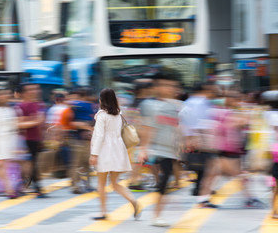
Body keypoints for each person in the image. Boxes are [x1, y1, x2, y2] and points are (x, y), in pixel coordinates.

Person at [89, 88, 141, 221]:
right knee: (115, 183)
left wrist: (94, 154)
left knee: (101, 183)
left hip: (104, 151)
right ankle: (133, 201)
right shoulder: (118, 114)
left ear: (101, 100)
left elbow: (99, 136)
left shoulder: (101, 115)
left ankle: (103, 212)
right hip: (118, 150)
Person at [138, 73, 181, 227]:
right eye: (165, 85)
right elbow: (147, 128)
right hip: (155, 149)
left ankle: (157, 214)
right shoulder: (149, 106)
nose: (169, 89)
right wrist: (143, 148)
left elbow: (177, 128)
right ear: (156, 88)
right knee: (162, 182)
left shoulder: (176, 106)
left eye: (171, 86)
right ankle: (156, 215)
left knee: (164, 183)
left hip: (169, 150)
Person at [180, 82, 220, 208]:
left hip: (194, 137)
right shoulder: (201, 102)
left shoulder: (188, 102)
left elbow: (183, 119)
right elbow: (202, 122)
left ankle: (200, 191)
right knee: (209, 167)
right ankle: (202, 195)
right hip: (202, 138)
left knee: (203, 166)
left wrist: (187, 138)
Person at [16, 83, 46, 197]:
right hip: (25, 139)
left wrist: (43, 137)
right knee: (30, 164)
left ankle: (31, 185)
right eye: (30, 90)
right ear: (23, 93)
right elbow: (19, 124)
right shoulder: (21, 106)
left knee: (33, 163)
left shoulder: (39, 104)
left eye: (36, 89)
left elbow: (41, 123)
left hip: (36, 139)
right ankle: (35, 186)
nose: (34, 91)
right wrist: (35, 120)